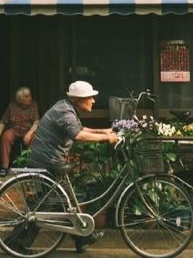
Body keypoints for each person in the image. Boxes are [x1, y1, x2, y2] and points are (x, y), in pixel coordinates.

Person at [29, 80, 118, 254]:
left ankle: (82, 239)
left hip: (49, 159)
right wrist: (105, 138)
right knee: (49, 205)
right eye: (90, 98)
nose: (93, 101)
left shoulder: (67, 108)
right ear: (79, 100)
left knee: (63, 203)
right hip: (49, 161)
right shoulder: (65, 112)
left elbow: (80, 128)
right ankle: (16, 243)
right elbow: (78, 135)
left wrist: (103, 131)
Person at [0, 86, 39, 177]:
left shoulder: (34, 105)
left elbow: (36, 122)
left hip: (28, 130)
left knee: (34, 138)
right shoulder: (12, 106)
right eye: (27, 96)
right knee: (6, 136)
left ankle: (28, 166)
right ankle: (4, 166)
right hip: (15, 130)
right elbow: (3, 121)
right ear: (21, 99)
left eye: (30, 96)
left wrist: (29, 133)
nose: (30, 98)